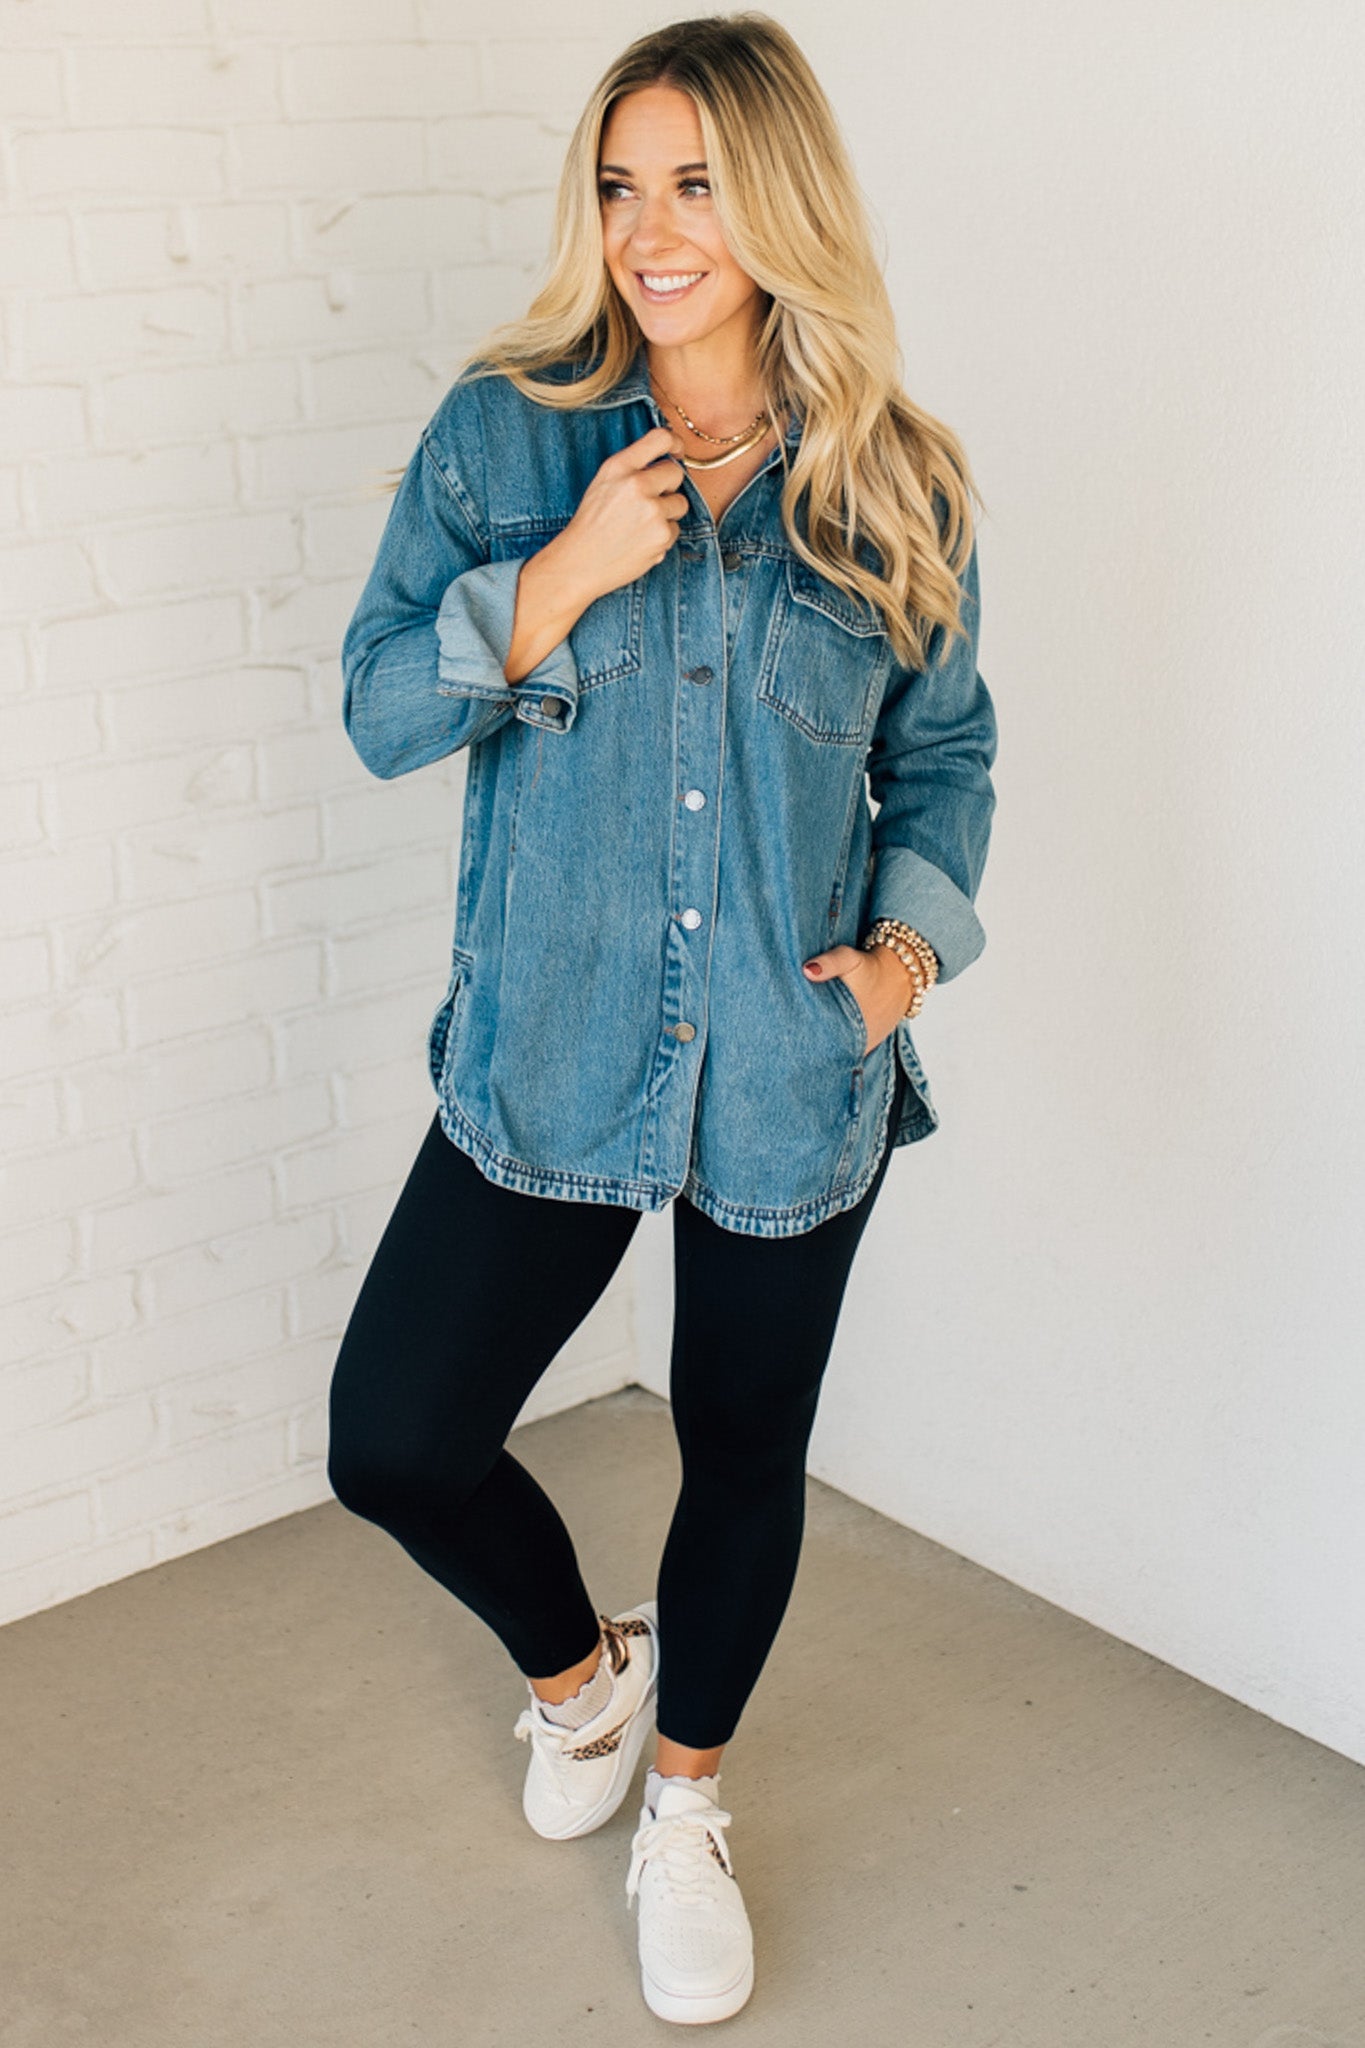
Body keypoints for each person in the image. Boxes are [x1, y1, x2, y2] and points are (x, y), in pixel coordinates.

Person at [326, 10, 998, 2027]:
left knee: (739, 1450)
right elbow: (377, 708)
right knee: (394, 1438)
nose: (646, 229)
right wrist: (555, 578)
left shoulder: (896, 482)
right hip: (550, 1053)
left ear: (775, 196)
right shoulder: (504, 432)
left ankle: (684, 1801)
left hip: (789, 1072)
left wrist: (903, 954)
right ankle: (581, 1677)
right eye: (619, 184)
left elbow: (942, 757)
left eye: (693, 181)